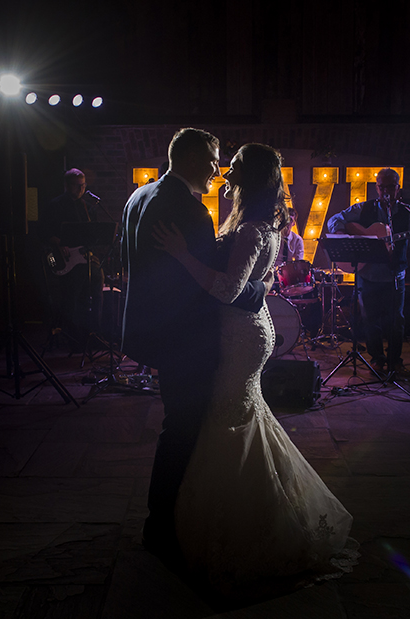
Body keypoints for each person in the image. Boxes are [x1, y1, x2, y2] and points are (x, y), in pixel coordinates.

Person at [152, 143, 356, 598]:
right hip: (251, 329)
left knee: (227, 421)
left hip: (240, 334)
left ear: (253, 174)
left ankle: (241, 524)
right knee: (242, 419)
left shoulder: (249, 230)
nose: (228, 166)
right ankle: (255, 512)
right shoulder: (263, 222)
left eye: (237, 162)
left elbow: (227, 290)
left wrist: (183, 254)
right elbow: (258, 281)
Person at [120, 129, 269, 567]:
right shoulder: (190, 210)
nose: (216, 169)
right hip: (183, 338)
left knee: (180, 426)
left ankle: (170, 520)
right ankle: (161, 529)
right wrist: (258, 289)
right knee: (181, 431)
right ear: (186, 158)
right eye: (211, 160)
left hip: (151, 330)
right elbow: (213, 288)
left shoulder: (140, 195)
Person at [326, 168, 410, 377]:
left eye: (390, 186)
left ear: (398, 188)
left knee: (396, 320)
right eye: (381, 187)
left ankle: (394, 361)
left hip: (394, 275)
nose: (385, 191)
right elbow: (334, 219)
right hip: (368, 274)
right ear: (377, 187)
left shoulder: (409, 212)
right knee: (370, 320)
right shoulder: (363, 208)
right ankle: (377, 360)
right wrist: (344, 234)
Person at [38, 168, 105, 346]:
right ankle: (73, 338)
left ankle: (93, 334)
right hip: (67, 260)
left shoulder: (88, 207)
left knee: (97, 289)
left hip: (85, 258)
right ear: (67, 186)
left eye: (83, 185)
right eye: (77, 186)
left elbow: (92, 235)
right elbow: (44, 232)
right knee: (73, 298)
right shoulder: (55, 205)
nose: (81, 189)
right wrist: (59, 243)